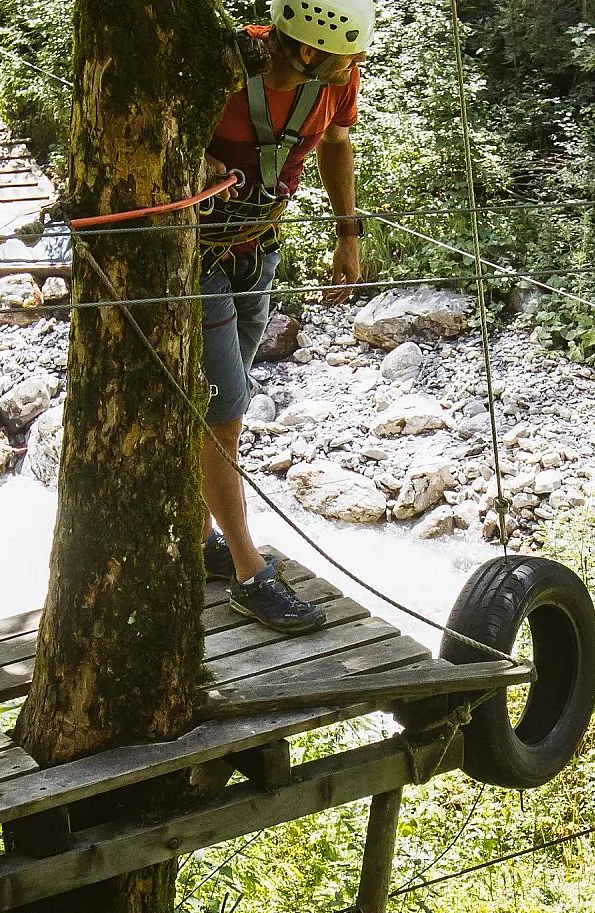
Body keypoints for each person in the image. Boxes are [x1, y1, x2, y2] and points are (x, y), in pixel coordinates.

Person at [193, 0, 372, 633]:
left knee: (224, 403)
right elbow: (159, 138)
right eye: (347, 52)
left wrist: (346, 233)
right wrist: (197, 164)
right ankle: (248, 572)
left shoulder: (335, 78)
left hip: (259, 248)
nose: (357, 64)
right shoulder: (220, 66)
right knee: (225, 411)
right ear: (308, 49)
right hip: (197, 261)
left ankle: (201, 533)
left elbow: (339, 142)